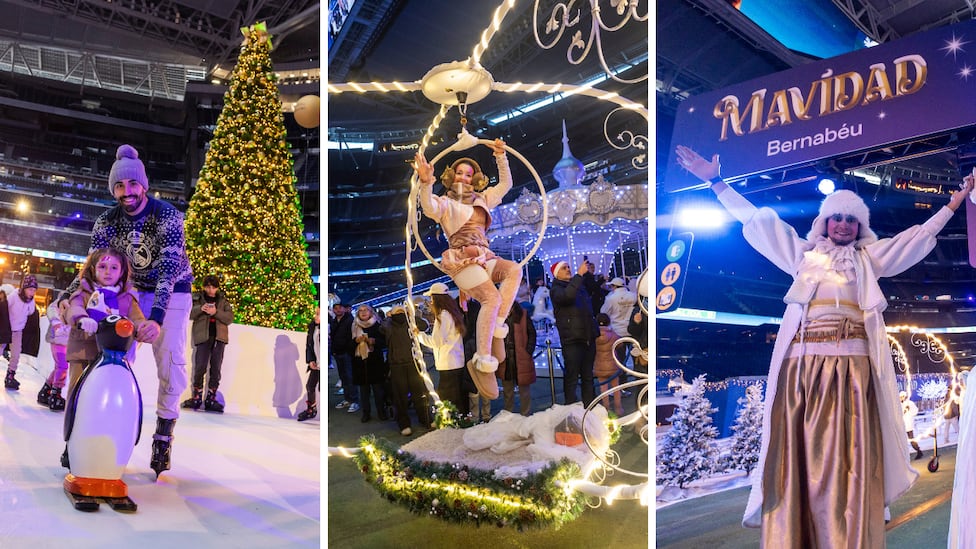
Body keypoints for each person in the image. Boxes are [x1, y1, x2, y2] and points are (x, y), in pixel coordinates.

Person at [675, 144, 973, 548]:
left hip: (853, 371)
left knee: (851, 457)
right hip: (803, 370)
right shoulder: (802, 255)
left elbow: (915, 238)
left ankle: (846, 534)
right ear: (824, 221)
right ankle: (799, 533)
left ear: (860, 226)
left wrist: (953, 204)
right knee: (798, 455)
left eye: (852, 219)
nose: (844, 225)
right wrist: (715, 182)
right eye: (837, 217)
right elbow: (758, 221)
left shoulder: (869, 259)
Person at [63, 144, 192, 477]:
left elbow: (167, 269)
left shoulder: (166, 214)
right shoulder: (107, 220)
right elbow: (91, 269)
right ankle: (92, 433)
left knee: (169, 363)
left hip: (172, 292)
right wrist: (68, 296)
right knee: (113, 358)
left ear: (143, 185)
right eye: (119, 186)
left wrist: (156, 319)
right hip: (129, 289)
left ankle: (163, 435)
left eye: (132, 184)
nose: (126, 192)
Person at [414, 139, 521, 399]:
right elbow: (427, 208)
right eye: (460, 172)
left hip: (484, 255)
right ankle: (482, 359)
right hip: (461, 259)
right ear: (451, 177)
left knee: (514, 270)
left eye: (469, 174)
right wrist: (426, 182)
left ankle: (495, 328)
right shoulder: (444, 202)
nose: (464, 177)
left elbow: (506, 185)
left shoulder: (483, 199)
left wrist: (500, 156)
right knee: (491, 298)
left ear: (475, 179)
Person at [65, 248, 148, 393]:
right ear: (93, 269)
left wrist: (143, 328)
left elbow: (137, 318)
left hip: (114, 356)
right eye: (102, 267)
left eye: (114, 268)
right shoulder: (84, 293)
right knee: (77, 391)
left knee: (107, 393)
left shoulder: (127, 298)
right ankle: (73, 415)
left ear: (121, 272)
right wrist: (82, 318)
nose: (108, 272)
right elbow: (74, 308)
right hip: (83, 352)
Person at [549, 259, 599, 406]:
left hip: (587, 337)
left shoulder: (578, 286)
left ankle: (590, 408)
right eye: (564, 268)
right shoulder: (556, 290)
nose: (568, 269)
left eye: (568, 267)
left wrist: (587, 274)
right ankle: (570, 408)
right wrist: (578, 275)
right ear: (556, 274)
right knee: (572, 377)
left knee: (588, 376)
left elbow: (593, 291)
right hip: (572, 339)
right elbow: (567, 297)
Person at [182, 275, 234, 413]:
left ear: (217, 287)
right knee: (200, 367)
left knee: (216, 368)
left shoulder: (223, 300)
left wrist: (215, 312)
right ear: (204, 287)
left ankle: (211, 398)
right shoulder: (197, 298)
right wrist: (201, 309)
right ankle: (197, 397)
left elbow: (229, 318)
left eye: (214, 287)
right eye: (208, 287)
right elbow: (189, 313)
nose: (211, 290)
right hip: (202, 337)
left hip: (219, 338)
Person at [416, 283, 467, 416]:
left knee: (448, 399)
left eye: (431, 299)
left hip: (448, 363)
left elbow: (437, 341)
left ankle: (452, 426)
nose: (430, 302)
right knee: (457, 397)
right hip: (456, 361)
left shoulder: (443, 316)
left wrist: (419, 335)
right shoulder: (452, 313)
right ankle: (460, 422)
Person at [383, 303, 431, 435]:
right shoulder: (389, 325)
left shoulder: (411, 323)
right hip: (397, 364)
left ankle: (425, 418)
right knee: (400, 396)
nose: (399, 314)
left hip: (413, 362)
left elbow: (424, 326)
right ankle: (404, 424)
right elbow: (383, 330)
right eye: (396, 312)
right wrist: (388, 317)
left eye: (401, 312)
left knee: (419, 392)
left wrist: (412, 315)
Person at [496, 302, 537, 416]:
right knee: (507, 390)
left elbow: (531, 333)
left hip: (521, 355)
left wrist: (528, 350)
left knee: (524, 390)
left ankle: (526, 414)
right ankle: (508, 414)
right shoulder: (498, 317)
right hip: (506, 357)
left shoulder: (522, 314)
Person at [351, 304, 388, 423]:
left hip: (375, 362)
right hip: (360, 363)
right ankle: (365, 413)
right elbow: (348, 344)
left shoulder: (378, 325)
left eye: (365, 310)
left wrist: (374, 341)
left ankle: (381, 412)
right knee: (364, 392)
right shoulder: (354, 326)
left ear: (371, 312)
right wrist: (355, 341)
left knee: (378, 390)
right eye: (360, 310)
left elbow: (385, 342)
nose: (363, 312)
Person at [2, 275, 38, 390]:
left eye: (34, 290)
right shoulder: (13, 296)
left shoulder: (31, 301)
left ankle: (10, 376)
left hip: (18, 331)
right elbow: (4, 308)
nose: (32, 293)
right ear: (24, 288)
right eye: (30, 289)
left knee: (16, 354)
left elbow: (31, 312)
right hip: (6, 329)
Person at [37, 295, 71, 411]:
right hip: (57, 338)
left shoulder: (81, 300)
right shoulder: (67, 297)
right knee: (62, 366)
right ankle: (55, 394)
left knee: (59, 367)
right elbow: (51, 308)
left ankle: (46, 390)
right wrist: (57, 323)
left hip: (66, 340)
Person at [330, 302, 360, 413]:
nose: (338, 310)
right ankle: (348, 399)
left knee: (350, 376)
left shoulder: (350, 320)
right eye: (335, 308)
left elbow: (352, 336)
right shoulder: (334, 322)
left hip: (347, 352)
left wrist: (349, 349)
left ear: (344, 309)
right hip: (337, 352)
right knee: (343, 377)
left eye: (339, 308)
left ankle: (354, 400)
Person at [594, 313, 624, 416]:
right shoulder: (613, 334)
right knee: (616, 388)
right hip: (613, 366)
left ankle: (606, 409)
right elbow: (620, 344)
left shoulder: (594, 335)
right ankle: (618, 408)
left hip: (600, 366)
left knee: (603, 389)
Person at [297, 306, 321, 422]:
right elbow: (309, 345)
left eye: (318, 314)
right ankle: (311, 409)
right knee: (310, 386)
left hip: (323, 363)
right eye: (316, 313)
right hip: (316, 363)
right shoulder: (313, 326)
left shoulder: (326, 328)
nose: (316, 316)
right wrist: (311, 360)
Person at [899, 391, 924, 460]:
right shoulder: (899, 404)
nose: (901, 398)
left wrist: (909, 410)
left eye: (902, 397)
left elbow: (915, 411)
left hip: (908, 425)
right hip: (902, 425)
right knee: (902, 440)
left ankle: (918, 451)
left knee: (911, 439)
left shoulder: (910, 403)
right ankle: (904, 455)